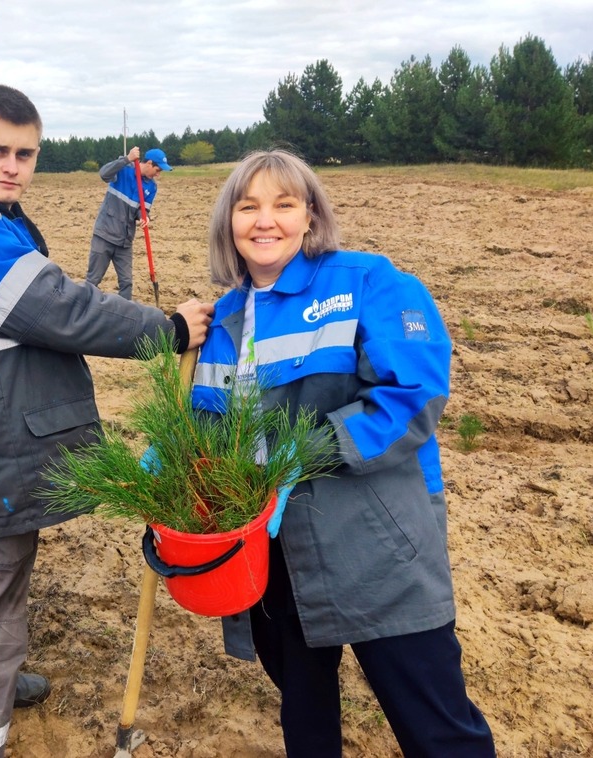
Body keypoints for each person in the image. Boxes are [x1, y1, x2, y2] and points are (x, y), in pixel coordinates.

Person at [0, 84, 213, 758]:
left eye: (25, 153)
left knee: (1, 580)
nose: (11, 166)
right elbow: (64, 308)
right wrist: (167, 328)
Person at [192, 148, 495, 757]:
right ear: (230, 222)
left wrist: (297, 454)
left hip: (376, 548)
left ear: (310, 215)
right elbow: (210, 426)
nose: (265, 220)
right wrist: (178, 468)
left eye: (284, 203)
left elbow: (413, 394)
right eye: (248, 206)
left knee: (436, 724)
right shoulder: (223, 321)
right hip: (274, 555)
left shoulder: (368, 282)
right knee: (305, 721)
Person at [85, 145, 171, 300]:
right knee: (93, 280)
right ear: (150, 163)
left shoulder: (151, 187)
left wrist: (144, 218)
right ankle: (82, 311)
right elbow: (103, 174)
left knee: (126, 283)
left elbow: (143, 210)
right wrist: (127, 159)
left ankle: (124, 316)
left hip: (125, 241)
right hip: (104, 235)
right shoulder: (123, 169)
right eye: (158, 170)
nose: (158, 175)